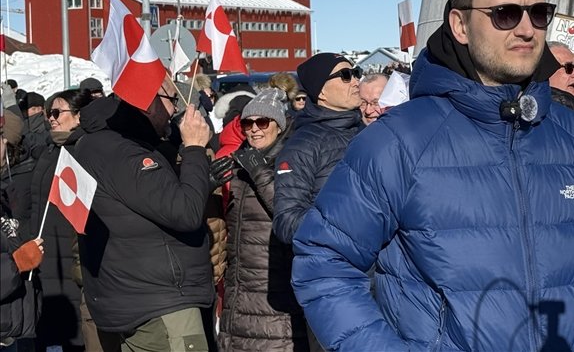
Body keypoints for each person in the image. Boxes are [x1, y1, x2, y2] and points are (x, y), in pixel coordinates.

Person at [290, 0, 574, 350]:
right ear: (460, 25)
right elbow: (325, 263)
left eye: (538, 13)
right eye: (505, 13)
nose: (526, 29)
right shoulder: (397, 141)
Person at [73, 78, 215, 351]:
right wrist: (195, 148)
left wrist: (197, 179)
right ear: (149, 103)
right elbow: (185, 212)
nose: (175, 110)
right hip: (160, 305)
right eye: (172, 100)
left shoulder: (101, 141)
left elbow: (146, 200)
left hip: (130, 297)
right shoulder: (124, 152)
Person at [272, 52, 364, 351]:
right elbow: (286, 221)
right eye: (346, 75)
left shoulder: (369, 134)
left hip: (379, 279)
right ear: (321, 91)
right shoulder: (303, 144)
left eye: (356, 72)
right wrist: (348, 219)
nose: (356, 81)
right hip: (333, 284)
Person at [216, 88, 307, 351]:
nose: (254, 129)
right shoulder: (241, 160)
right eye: (248, 123)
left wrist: (259, 171)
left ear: (279, 125)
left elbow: (289, 211)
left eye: (262, 122)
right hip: (239, 283)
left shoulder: (291, 157)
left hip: (275, 287)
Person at [28, 89, 94, 352]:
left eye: (57, 112)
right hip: (43, 254)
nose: (51, 118)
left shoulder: (84, 150)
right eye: (49, 113)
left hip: (69, 258)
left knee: (72, 333)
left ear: (78, 116)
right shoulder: (49, 149)